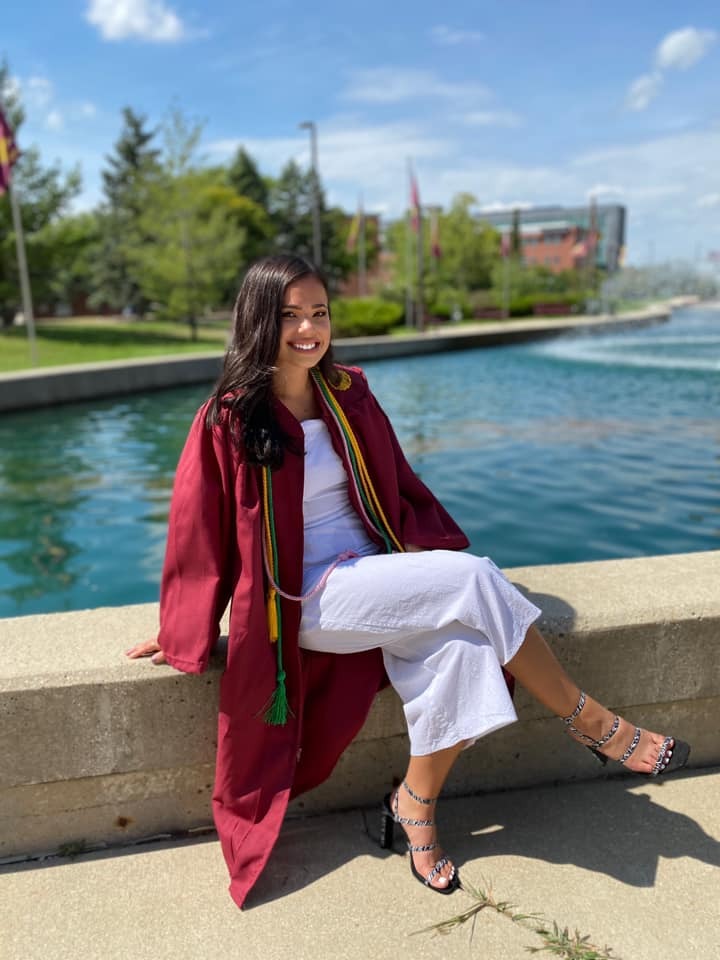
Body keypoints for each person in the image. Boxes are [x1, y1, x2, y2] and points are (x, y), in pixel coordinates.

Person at [126, 253, 690, 906]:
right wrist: (184, 631)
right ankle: (593, 723)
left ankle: (413, 806)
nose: (309, 330)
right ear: (258, 321)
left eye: (319, 314)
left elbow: (398, 482)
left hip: (374, 576)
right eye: (290, 317)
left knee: (467, 651)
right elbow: (201, 537)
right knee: (474, 578)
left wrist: (423, 557)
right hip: (305, 599)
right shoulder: (229, 419)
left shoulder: (347, 392)